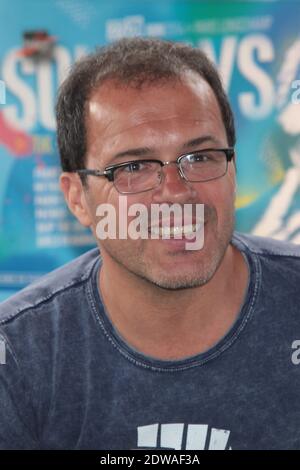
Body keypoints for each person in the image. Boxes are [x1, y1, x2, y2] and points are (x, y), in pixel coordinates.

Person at [0, 37, 300, 451]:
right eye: (134, 167)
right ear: (76, 198)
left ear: (233, 170)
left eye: (200, 157)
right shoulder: (17, 356)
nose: (176, 192)